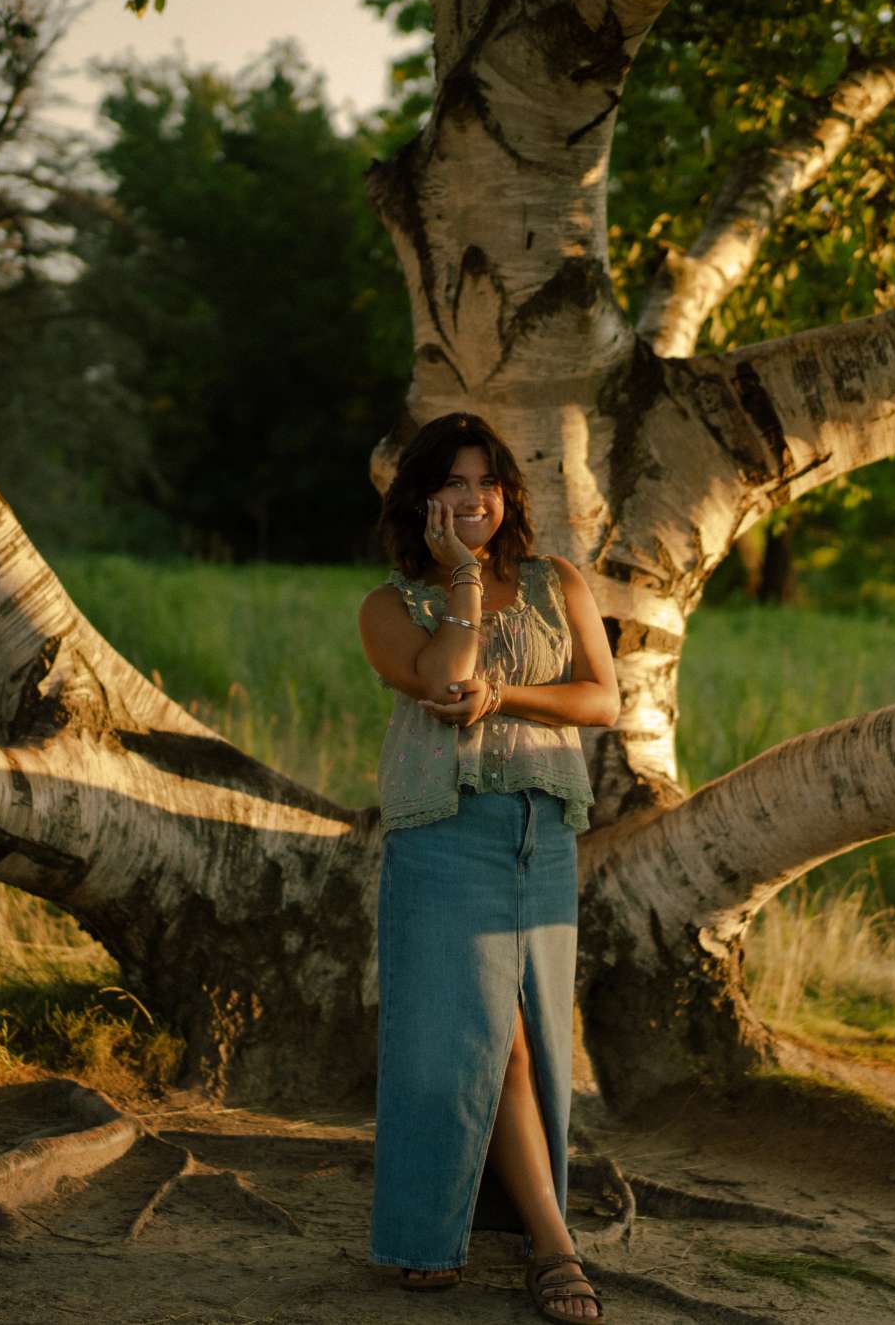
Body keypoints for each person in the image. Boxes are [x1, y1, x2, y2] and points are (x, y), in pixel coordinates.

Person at [356, 412, 619, 1323]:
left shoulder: (557, 582)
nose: (474, 498)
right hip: (443, 833)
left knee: (535, 1034)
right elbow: (439, 679)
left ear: (507, 494)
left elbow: (603, 699)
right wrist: (464, 579)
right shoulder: (391, 605)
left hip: (542, 832)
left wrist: (508, 697)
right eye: (453, 484)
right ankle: (545, 1245)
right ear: (421, 500)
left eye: (487, 482)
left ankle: (512, 1234)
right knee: (471, 1037)